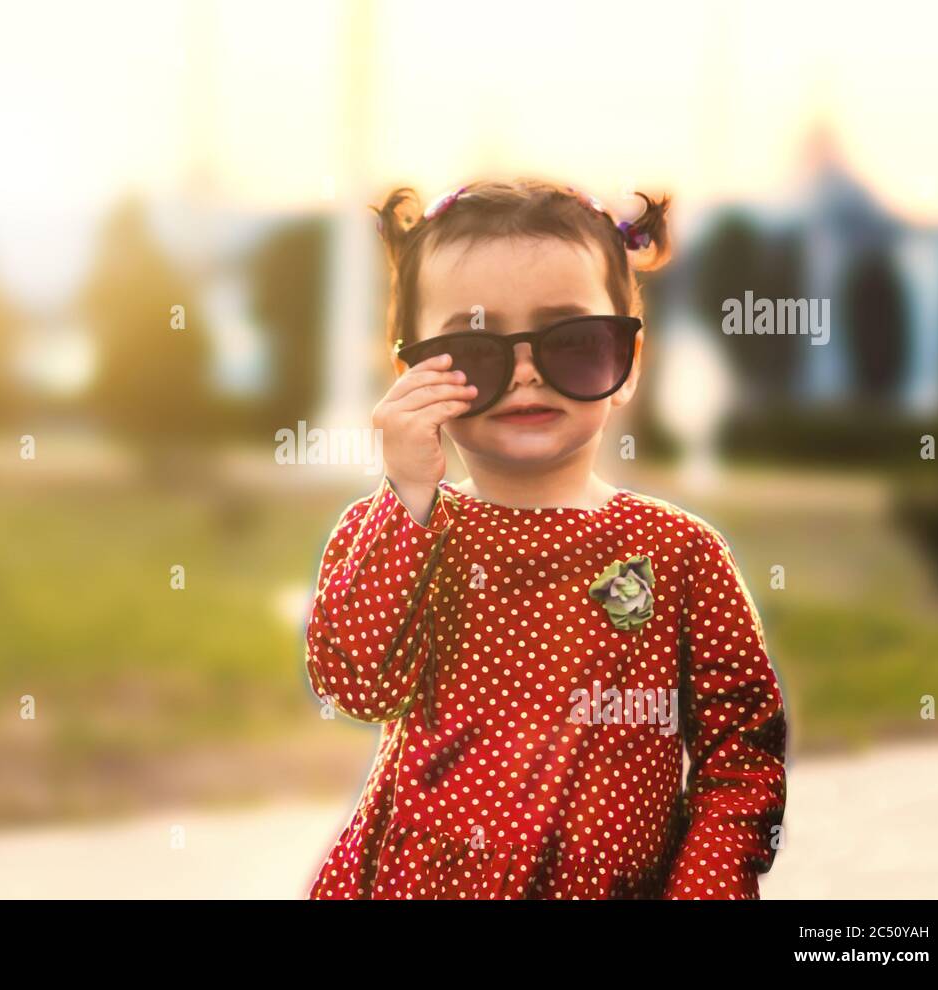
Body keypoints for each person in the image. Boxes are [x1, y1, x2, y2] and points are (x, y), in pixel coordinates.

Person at [304, 179, 787, 899]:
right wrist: (408, 494)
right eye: (474, 347)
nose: (527, 371)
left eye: (574, 341)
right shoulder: (403, 528)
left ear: (629, 359)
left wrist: (706, 890)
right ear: (412, 371)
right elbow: (356, 686)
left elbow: (741, 759)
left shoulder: (682, 555)